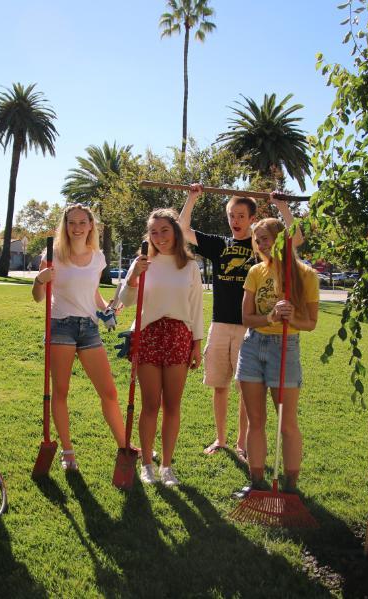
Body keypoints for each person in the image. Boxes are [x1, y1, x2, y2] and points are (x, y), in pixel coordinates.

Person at [31, 204, 128, 470]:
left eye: (82, 223)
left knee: (108, 392)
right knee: (60, 391)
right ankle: (68, 451)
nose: (76, 228)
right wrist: (40, 280)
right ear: (65, 224)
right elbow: (39, 297)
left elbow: (93, 294)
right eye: (71, 222)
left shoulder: (98, 257)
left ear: (90, 226)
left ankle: (125, 445)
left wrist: (105, 310)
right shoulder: (52, 254)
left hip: (89, 327)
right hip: (60, 326)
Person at [233, 204, 318, 499]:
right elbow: (246, 318)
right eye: (257, 240)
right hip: (253, 345)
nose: (260, 244)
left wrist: (290, 317)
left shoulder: (305, 275)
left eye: (265, 238)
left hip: (286, 348)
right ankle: (256, 483)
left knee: (287, 422)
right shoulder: (256, 271)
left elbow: (311, 323)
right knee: (256, 421)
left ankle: (291, 487)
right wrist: (270, 318)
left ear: (281, 239)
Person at [119, 208, 204, 487]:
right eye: (154, 232)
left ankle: (167, 466)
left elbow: (196, 308)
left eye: (164, 230)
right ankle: (146, 464)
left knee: (172, 405)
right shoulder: (143, 261)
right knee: (150, 403)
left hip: (179, 334)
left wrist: (196, 343)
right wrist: (133, 278)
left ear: (175, 232)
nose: (159, 237)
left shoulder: (190, 267)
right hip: (149, 334)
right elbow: (126, 300)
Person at [178, 184, 257, 461]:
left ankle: (242, 443)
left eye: (241, 216)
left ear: (251, 219)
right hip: (220, 324)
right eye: (231, 216)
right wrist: (192, 198)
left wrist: (282, 207)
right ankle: (221, 440)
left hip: (249, 326)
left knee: (246, 388)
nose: (235, 221)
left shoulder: (260, 246)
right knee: (219, 385)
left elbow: (293, 239)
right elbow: (183, 230)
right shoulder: (220, 244)